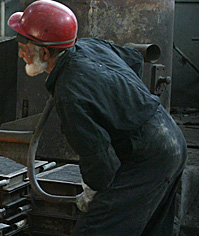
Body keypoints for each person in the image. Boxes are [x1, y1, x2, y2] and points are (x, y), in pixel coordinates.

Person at [8, 1, 188, 235]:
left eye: (24, 47)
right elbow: (133, 59)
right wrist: (124, 107)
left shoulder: (69, 92)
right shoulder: (88, 45)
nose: (21, 54)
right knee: (152, 229)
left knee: (95, 230)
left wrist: (92, 194)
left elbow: (100, 162)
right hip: (171, 136)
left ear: (44, 52)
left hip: (150, 158)